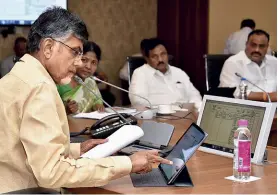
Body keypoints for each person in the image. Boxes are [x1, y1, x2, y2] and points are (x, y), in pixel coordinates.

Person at [0, 7, 171, 193]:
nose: (79, 62)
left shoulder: (18, 76)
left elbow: (22, 148)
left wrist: (77, 149)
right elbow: (52, 172)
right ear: (48, 47)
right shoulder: (39, 87)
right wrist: (127, 163)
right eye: (75, 52)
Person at [129, 38, 202, 109]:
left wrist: (194, 108)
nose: (160, 59)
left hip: (186, 115)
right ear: (147, 59)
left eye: (163, 54)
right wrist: (168, 108)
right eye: (155, 56)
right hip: (158, 117)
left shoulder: (178, 72)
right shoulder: (140, 73)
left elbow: (195, 95)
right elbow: (137, 102)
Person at [219, 29, 277, 102]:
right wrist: (266, 97)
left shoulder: (274, 62)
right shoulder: (233, 63)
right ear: (246, 44)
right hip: (246, 108)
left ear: (267, 47)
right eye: (253, 45)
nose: (257, 50)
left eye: (261, 46)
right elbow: (231, 92)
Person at [57, 41, 105, 114]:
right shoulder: (60, 81)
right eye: (84, 60)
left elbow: (97, 101)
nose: (88, 66)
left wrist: (98, 106)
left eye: (93, 62)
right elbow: (50, 111)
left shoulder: (90, 82)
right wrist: (66, 110)